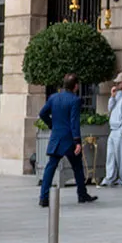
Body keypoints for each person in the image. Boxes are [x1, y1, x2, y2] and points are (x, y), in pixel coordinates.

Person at [38, 74, 97, 208]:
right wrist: (77, 141)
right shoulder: (75, 100)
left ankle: (44, 197)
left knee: (50, 167)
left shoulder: (53, 97)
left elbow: (42, 113)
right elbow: (74, 122)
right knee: (77, 167)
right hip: (69, 138)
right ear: (75, 86)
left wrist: (52, 125)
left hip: (56, 137)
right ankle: (82, 194)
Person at [100, 73, 122, 187]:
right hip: (113, 128)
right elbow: (110, 109)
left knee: (120, 156)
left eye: (119, 82)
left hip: (120, 129)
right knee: (110, 155)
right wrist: (112, 96)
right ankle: (110, 178)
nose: (117, 84)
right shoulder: (119, 94)